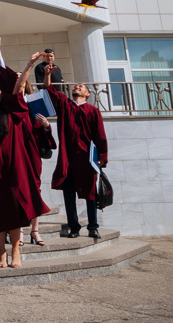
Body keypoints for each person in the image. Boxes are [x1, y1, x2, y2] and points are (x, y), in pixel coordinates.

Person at [0, 52, 51, 268]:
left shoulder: (12, 111)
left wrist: (29, 64)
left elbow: (18, 87)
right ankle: (1, 252)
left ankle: (16, 251)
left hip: (13, 165)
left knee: (16, 210)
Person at [44, 66, 108, 239]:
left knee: (90, 194)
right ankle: (74, 227)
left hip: (87, 159)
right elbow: (49, 91)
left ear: (88, 94)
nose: (76, 87)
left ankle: (93, 227)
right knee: (69, 194)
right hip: (68, 158)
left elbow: (100, 135)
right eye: (75, 86)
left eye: (81, 87)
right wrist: (48, 74)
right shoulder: (65, 105)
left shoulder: (93, 111)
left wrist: (102, 157)